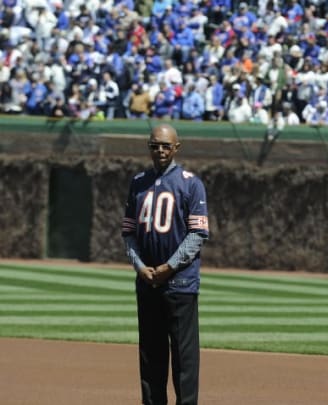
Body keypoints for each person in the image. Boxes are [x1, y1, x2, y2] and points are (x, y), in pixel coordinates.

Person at [121, 124, 210, 405]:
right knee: (150, 357)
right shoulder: (138, 182)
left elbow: (198, 234)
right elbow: (129, 232)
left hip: (180, 284)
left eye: (165, 146)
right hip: (148, 282)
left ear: (176, 148)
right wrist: (140, 266)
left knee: (184, 361)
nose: (160, 150)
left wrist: (169, 266)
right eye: (154, 145)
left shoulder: (190, 183)